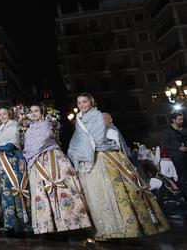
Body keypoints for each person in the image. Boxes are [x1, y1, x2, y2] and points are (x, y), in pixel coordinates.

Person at [67, 93, 169, 240]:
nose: (82, 105)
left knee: (114, 191)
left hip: (102, 156)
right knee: (95, 195)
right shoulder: (79, 120)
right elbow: (78, 139)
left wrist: (86, 149)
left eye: (85, 102)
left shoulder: (97, 115)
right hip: (87, 160)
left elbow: (98, 137)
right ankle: (103, 228)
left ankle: (123, 228)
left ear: (91, 102)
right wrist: (78, 151)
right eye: (79, 103)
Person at [24, 104, 91, 235]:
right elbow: (27, 145)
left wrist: (32, 151)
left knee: (61, 187)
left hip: (51, 157)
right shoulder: (28, 129)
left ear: (42, 112)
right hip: (36, 161)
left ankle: (70, 222)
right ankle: (48, 226)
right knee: (41, 191)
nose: (34, 114)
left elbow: (44, 139)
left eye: (36, 111)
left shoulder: (47, 124)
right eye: (31, 112)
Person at [0, 107, 31, 234]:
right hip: (2, 162)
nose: (2, 116)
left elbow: (11, 146)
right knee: (5, 192)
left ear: (10, 114)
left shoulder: (13, 125)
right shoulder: (2, 127)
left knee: (14, 190)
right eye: (0, 114)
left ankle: (20, 223)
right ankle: (10, 223)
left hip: (11, 161)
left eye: (4, 114)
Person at [161, 112, 186, 184]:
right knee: (179, 178)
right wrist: (178, 147)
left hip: (184, 157)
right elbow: (164, 144)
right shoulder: (167, 130)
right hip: (175, 158)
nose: (182, 121)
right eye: (179, 119)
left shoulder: (182, 129)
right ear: (173, 120)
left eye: (182, 119)